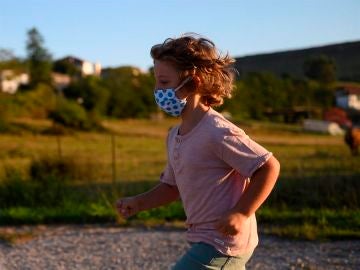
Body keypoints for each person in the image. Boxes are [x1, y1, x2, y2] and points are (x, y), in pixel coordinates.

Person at [116, 33, 280, 270]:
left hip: (223, 243)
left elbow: (268, 166)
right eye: (156, 82)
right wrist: (139, 202)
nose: (156, 90)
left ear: (194, 83)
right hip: (203, 239)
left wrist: (241, 213)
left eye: (163, 82)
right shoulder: (174, 135)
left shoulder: (218, 132)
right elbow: (172, 187)